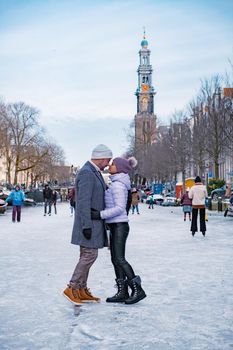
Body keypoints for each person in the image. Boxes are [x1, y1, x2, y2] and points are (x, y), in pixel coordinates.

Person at [91, 157, 146, 305]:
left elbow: (120, 208)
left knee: (120, 259)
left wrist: (99, 215)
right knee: (115, 259)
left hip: (120, 225)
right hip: (115, 225)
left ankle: (137, 289)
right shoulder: (116, 183)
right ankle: (122, 291)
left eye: (113, 164)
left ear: (120, 168)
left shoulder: (119, 185)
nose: (110, 165)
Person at [63, 144, 113, 305]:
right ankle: (72, 287)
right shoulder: (86, 172)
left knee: (86, 255)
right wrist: (86, 225)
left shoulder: (93, 171)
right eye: (108, 160)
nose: (108, 164)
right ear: (101, 158)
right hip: (88, 223)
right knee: (89, 255)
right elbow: (83, 201)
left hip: (93, 222)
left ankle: (81, 289)